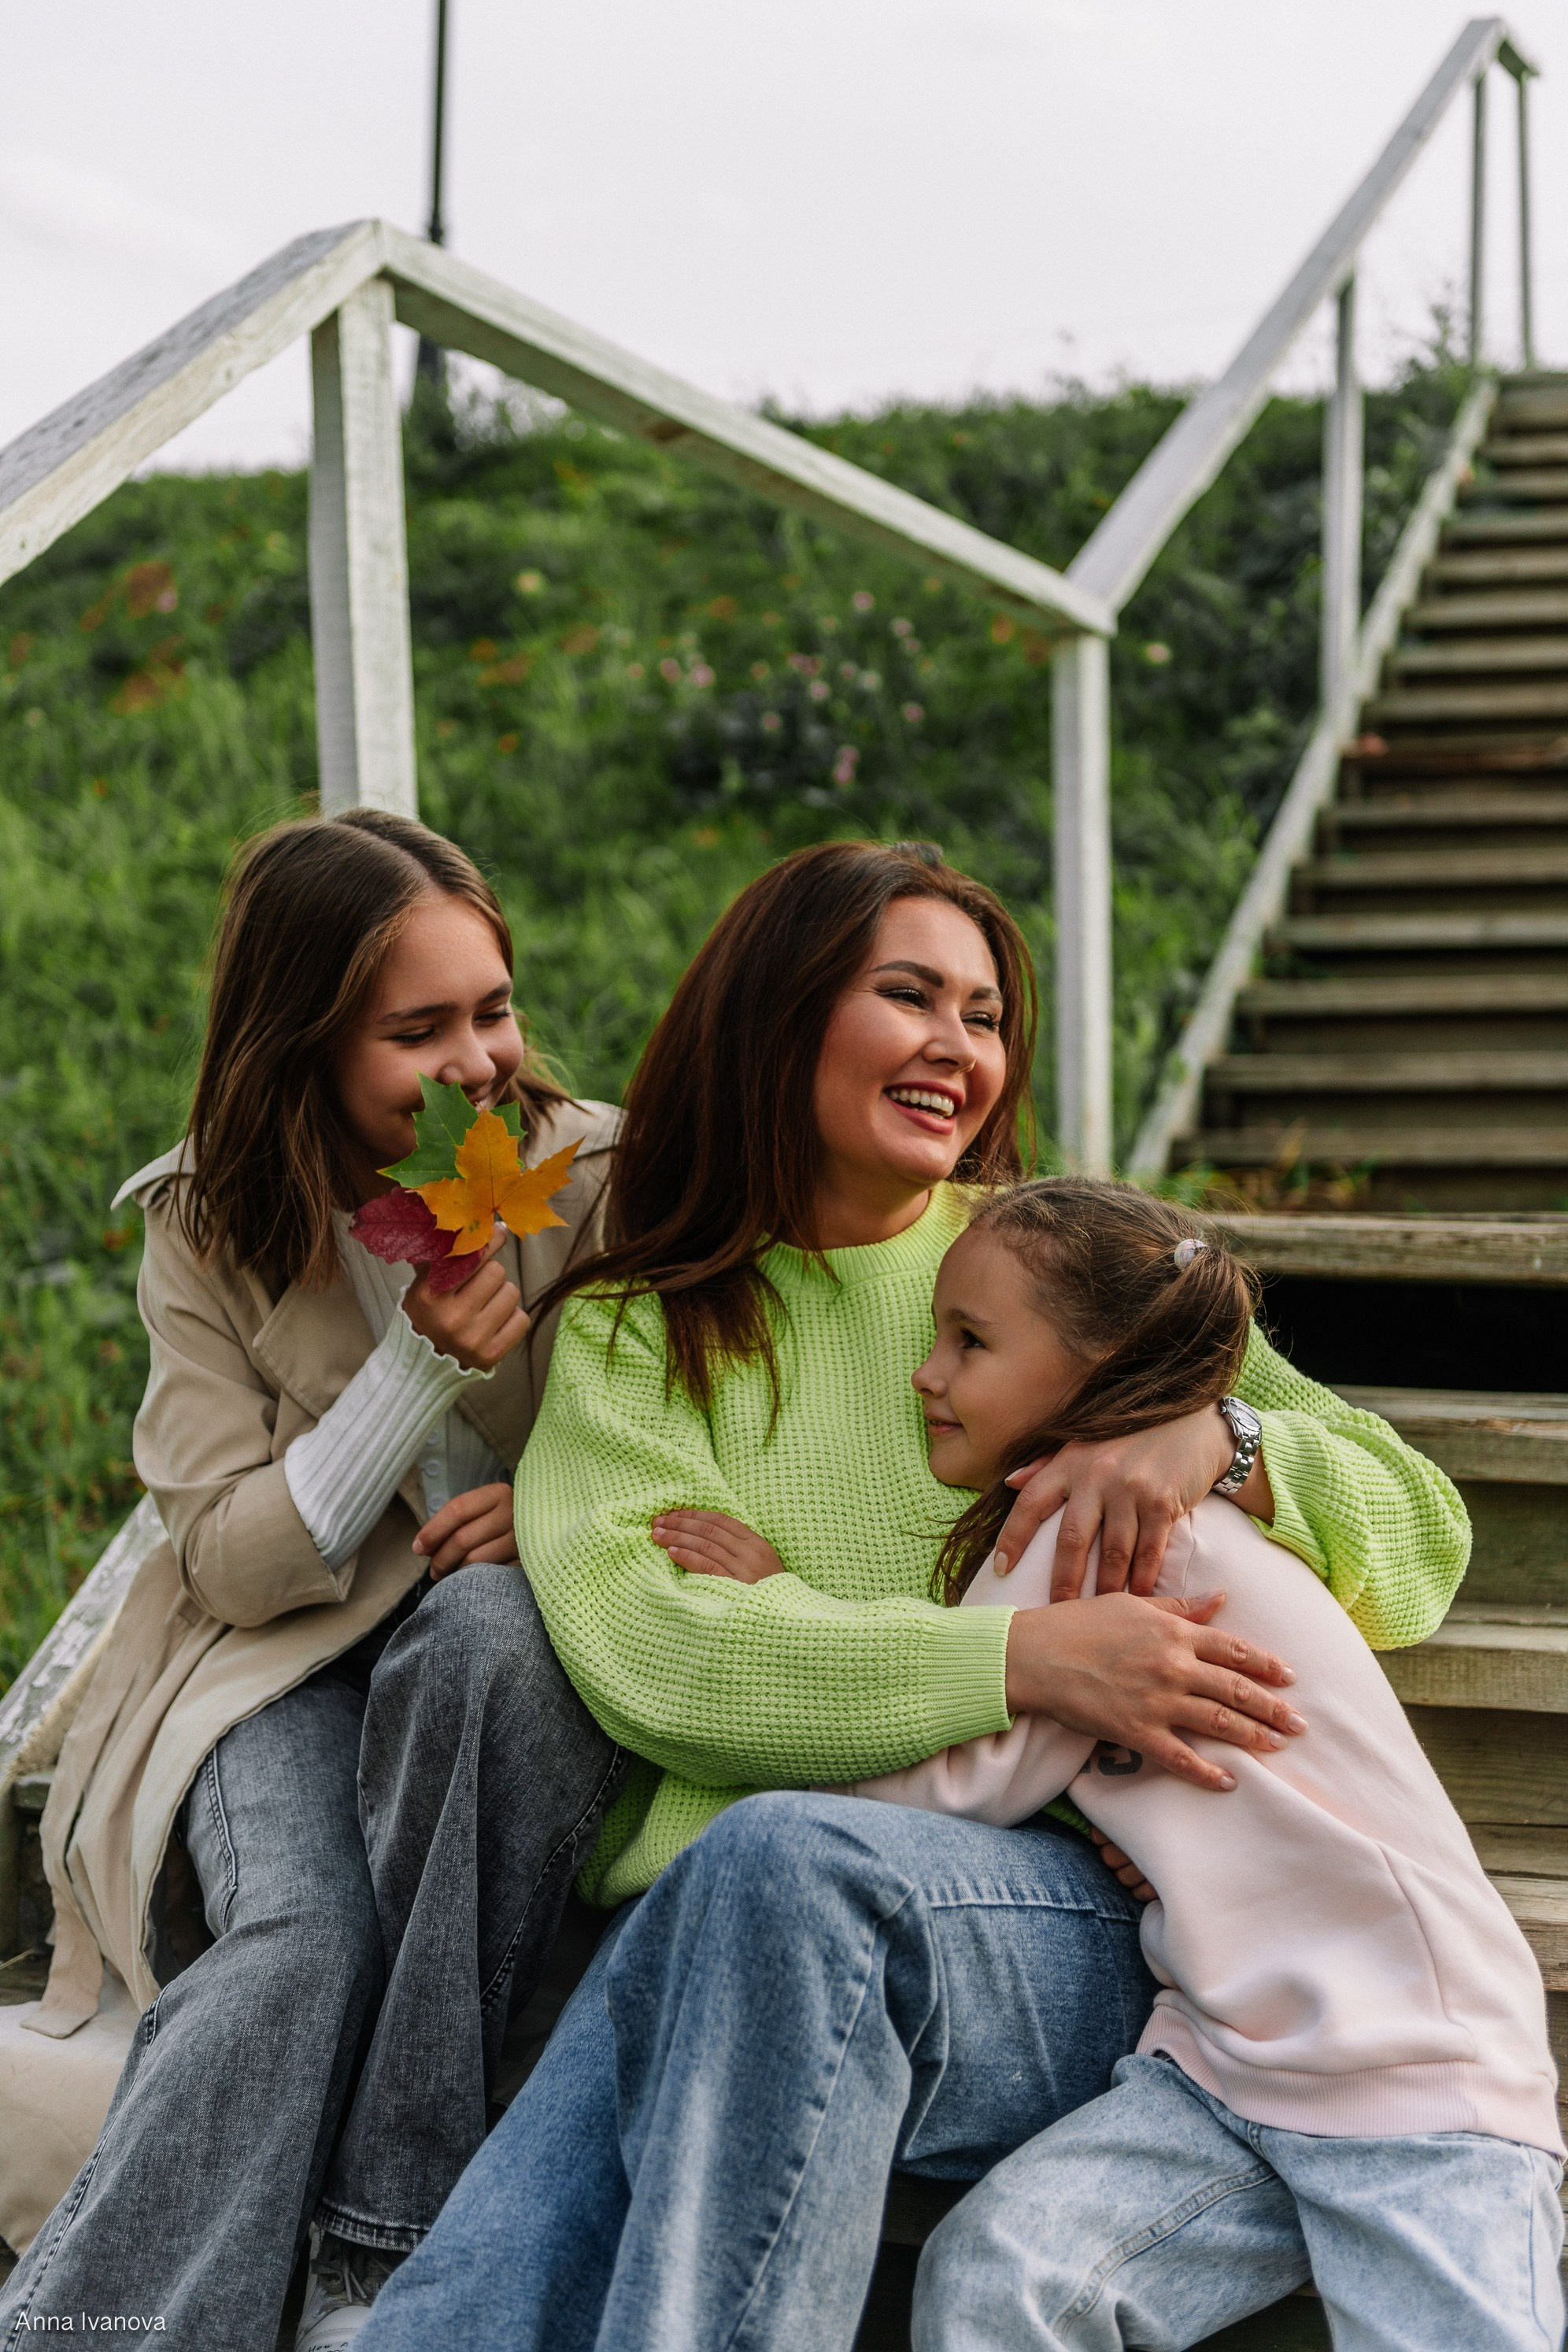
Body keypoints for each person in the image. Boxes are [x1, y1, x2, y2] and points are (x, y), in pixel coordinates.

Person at [357, 837, 1474, 2352]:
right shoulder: (639, 1332)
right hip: (742, 1923)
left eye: (985, 1014)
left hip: (1080, 1939)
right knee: (748, 1887)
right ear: (783, 1014)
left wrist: (1225, 1437)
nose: (960, 1047)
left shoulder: (1066, 1274)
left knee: (770, 1874)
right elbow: (664, 1657)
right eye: (909, 996)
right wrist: (1029, 1658)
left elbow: (1422, 1539)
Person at [680, 1179, 1565, 2350]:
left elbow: (948, 1782)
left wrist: (777, 1617)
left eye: (970, 1342)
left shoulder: (1099, 1541)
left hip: (1408, 2070)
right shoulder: (1081, 1530)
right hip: (1224, 2071)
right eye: (934, 1335)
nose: (926, 1374)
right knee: (1004, 2276)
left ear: (1095, 1373)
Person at [0, 811, 626, 2352]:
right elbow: (223, 1556)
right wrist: (415, 1366)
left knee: (481, 1635)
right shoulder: (207, 1220)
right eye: (419, 1030)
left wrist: (544, 1513)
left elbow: (665, 1430)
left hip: (503, 1653)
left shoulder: (584, 1172)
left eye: (492, 1006)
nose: (480, 1060)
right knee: (299, 1938)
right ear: (300, 1037)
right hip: (271, 1669)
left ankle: (369, 2256)